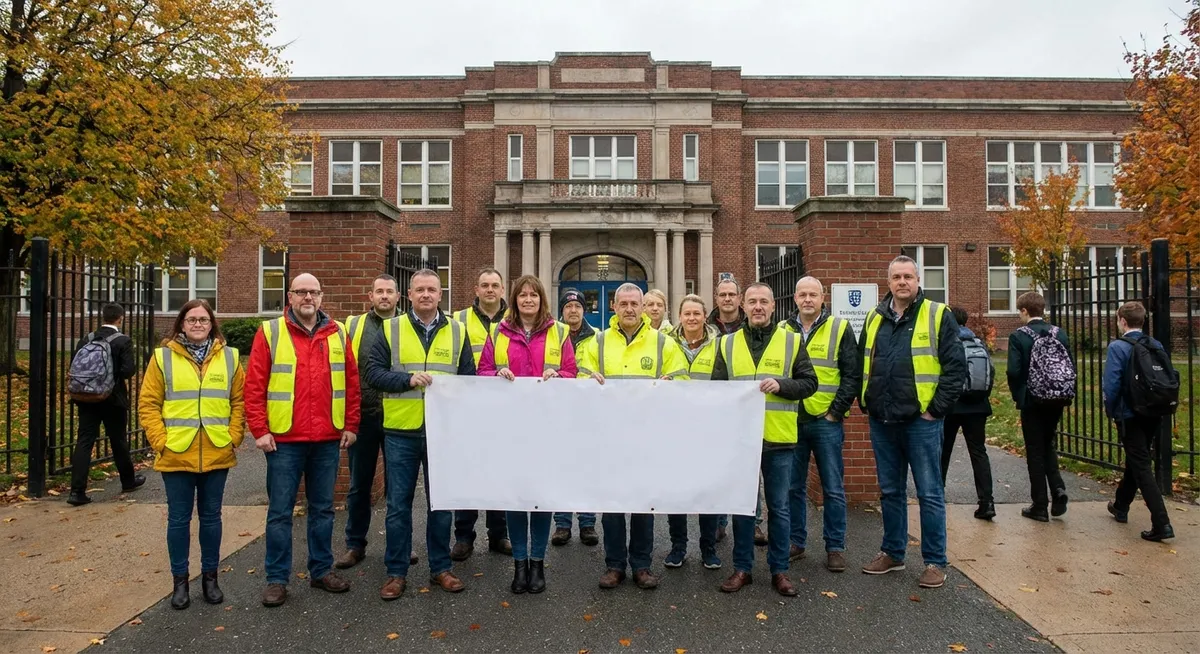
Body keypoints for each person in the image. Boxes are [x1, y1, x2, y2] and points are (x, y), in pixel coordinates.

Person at [245, 273, 361, 608]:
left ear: (321, 297)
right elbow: (255, 385)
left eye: (313, 292)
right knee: (280, 512)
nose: (308, 297)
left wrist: (351, 423)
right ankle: (277, 579)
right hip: (284, 440)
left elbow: (351, 382)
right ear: (290, 297)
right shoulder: (271, 331)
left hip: (327, 437)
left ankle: (321, 571)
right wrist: (260, 429)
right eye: (301, 292)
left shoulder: (337, 333)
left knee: (323, 509)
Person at [365, 269, 476, 600]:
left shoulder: (458, 331)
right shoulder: (391, 329)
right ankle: (396, 572)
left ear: (441, 295)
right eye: (419, 290)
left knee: (440, 504)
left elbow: (468, 379)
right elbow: (372, 374)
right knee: (398, 505)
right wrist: (407, 379)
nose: (426, 294)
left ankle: (441, 568)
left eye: (432, 289)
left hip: (442, 432)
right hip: (401, 430)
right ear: (408, 295)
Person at [859, 255, 965, 590]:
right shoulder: (875, 318)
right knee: (890, 491)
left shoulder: (937, 314)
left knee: (929, 492)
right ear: (887, 282)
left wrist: (934, 410)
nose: (902, 282)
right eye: (896, 277)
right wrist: (867, 403)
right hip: (883, 419)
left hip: (921, 422)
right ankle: (893, 552)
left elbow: (954, 369)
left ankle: (934, 561)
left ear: (918, 280)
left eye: (908, 276)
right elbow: (866, 363)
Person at [576, 283, 690, 590]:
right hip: (609, 436)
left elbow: (683, 377)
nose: (629, 309)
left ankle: (641, 564)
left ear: (643, 307)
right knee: (612, 504)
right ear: (613, 306)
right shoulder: (596, 342)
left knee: (643, 505)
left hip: (646, 437)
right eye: (623, 303)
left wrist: (672, 380)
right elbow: (578, 375)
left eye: (634, 303)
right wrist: (588, 378)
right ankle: (614, 565)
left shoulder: (662, 343)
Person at [712, 283, 818, 596]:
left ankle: (779, 570)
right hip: (741, 442)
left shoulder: (792, 341)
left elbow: (809, 383)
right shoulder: (727, 344)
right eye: (753, 302)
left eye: (764, 302)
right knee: (743, 508)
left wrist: (782, 385)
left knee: (780, 508)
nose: (758, 307)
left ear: (774, 306)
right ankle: (742, 568)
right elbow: (717, 391)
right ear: (743, 306)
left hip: (779, 440)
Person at [139, 300, 244, 609]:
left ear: (212, 324)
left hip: (216, 450)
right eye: (191, 319)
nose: (198, 324)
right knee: (179, 520)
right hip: (176, 452)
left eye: (203, 319)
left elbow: (238, 401)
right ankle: (180, 582)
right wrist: (161, 441)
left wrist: (234, 436)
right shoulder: (162, 358)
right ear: (181, 324)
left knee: (211, 518)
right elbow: (148, 404)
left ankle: (210, 579)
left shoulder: (229, 357)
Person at [478, 275, 578, 594]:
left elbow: (571, 372)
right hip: (511, 429)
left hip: (546, 428)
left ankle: (538, 563)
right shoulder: (499, 332)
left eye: (534, 295)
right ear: (515, 299)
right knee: (516, 497)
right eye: (522, 295)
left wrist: (557, 374)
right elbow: (482, 372)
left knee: (540, 496)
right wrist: (496, 373)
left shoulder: (559, 331)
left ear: (542, 299)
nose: (528, 300)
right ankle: (519, 565)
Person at [335, 275, 419, 570]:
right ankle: (355, 544)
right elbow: (344, 370)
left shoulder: (409, 326)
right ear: (370, 296)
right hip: (365, 416)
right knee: (359, 484)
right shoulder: (353, 326)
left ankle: (401, 546)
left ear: (399, 297)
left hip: (400, 417)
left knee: (400, 489)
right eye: (379, 291)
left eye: (389, 292)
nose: (384, 296)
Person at [782, 276, 860, 573]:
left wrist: (835, 412)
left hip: (826, 421)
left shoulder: (839, 327)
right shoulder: (783, 329)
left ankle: (835, 546)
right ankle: (796, 542)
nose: (807, 300)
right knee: (793, 487)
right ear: (794, 298)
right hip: (792, 419)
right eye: (802, 294)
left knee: (833, 487)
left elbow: (851, 374)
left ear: (822, 297)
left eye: (813, 294)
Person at [451, 267, 511, 561]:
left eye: (495, 285)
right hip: (468, 407)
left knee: (500, 473)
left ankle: (499, 534)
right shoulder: (458, 320)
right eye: (484, 285)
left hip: (503, 410)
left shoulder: (514, 322)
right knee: (468, 472)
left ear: (503, 290)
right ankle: (464, 536)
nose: (490, 290)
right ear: (476, 290)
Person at [1103, 302, 1175, 542]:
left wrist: (1111, 410)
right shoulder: (1155, 345)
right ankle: (1121, 505)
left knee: (1142, 465)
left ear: (1123, 321)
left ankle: (1161, 523)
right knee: (1139, 458)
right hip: (1153, 410)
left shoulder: (1118, 347)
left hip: (1129, 413)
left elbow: (1112, 385)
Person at [663, 294, 723, 570]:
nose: (691, 318)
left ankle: (708, 548)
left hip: (709, 428)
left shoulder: (721, 345)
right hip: (674, 428)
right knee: (677, 492)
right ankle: (678, 547)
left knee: (707, 492)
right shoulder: (666, 344)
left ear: (704, 316)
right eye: (686, 313)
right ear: (679, 316)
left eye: (696, 314)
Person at [67, 303, 144, 506]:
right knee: (118, 440)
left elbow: (75, 365)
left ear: (103, 317)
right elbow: (128, 371)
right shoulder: (122, 340)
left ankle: (76, 491)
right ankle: (128, 481)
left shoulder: (87, 339)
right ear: (120, 318)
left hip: (86, 398)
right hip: (113, 399)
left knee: (84, 440)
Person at [1006, 291, 1073, 522]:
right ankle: (1058, 489)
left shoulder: (1019, 336)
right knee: (1048, 443)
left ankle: (1040, 504)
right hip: (1057, 397)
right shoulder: (1059, 333)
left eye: (1019, 312)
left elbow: (1014, 371)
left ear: (1024, 311)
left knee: (1034, 450)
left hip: (1032, 399)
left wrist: (1019, 395)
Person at [550, 288, 598, 547]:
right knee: (562, 467)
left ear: (583, 310)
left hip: (588, 410)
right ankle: (562, 523)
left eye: (577, 306)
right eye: (568, 307)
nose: (573, 311)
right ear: (562, 311)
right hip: (560, 410)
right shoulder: (553, 335)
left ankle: (588, 522)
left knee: (586, 467)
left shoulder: (597, 338)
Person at [941, 306, 996, 521]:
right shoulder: (978, 342)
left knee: (943, 452)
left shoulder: (947, 342)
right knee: (979, 452)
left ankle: (937, 497)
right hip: (977, 406)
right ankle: (986, 501)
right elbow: (990, 372)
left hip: (951, 406)